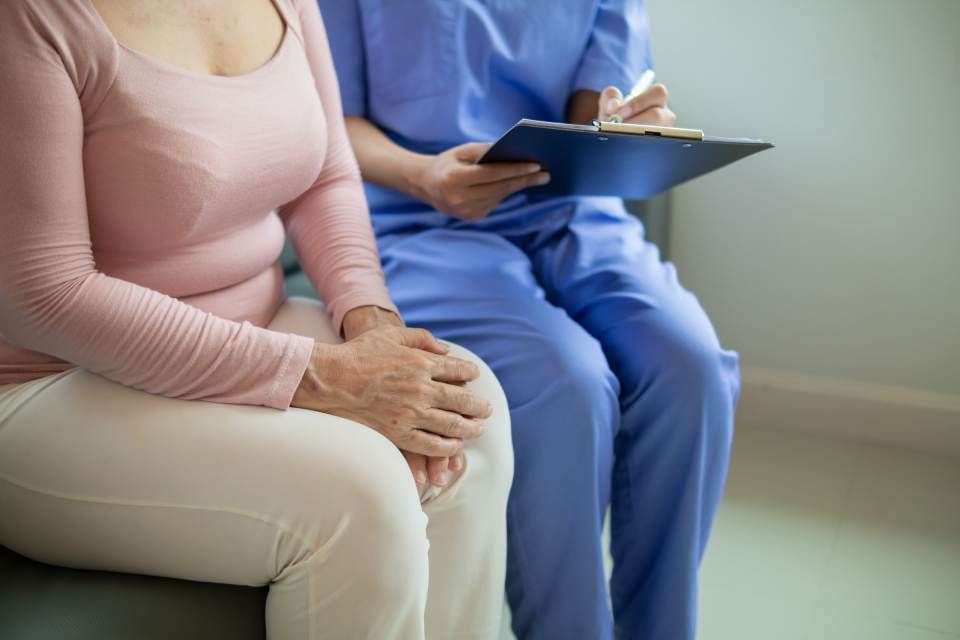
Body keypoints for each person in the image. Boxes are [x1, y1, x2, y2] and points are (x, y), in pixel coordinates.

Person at [0, 1, 513, 638]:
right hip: (51, 381)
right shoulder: (30, 18)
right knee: (361, 492)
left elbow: (325, 175)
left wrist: (373, 328)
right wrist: (325, 376)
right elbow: (42, 294)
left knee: (468, 411)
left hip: (256, 322)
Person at [316, 1, 740, 638]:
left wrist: (620, 123)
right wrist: (424, 175)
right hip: (417, 217)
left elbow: (593, 107)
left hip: (574, 211)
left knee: (692, 369)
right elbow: (326, 115)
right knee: (564, 383)